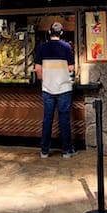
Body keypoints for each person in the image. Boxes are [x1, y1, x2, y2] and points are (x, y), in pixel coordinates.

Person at [34, 21, 76, 159]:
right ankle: (67, 151)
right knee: (64, 119)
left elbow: (38, 69)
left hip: (47, 88)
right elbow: (71, 69)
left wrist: (44, 80)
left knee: (47, 119)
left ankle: (44, 151)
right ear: (62, 33)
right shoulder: (67, 47)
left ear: (49, 32)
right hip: (64, 88)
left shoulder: (42, 48)